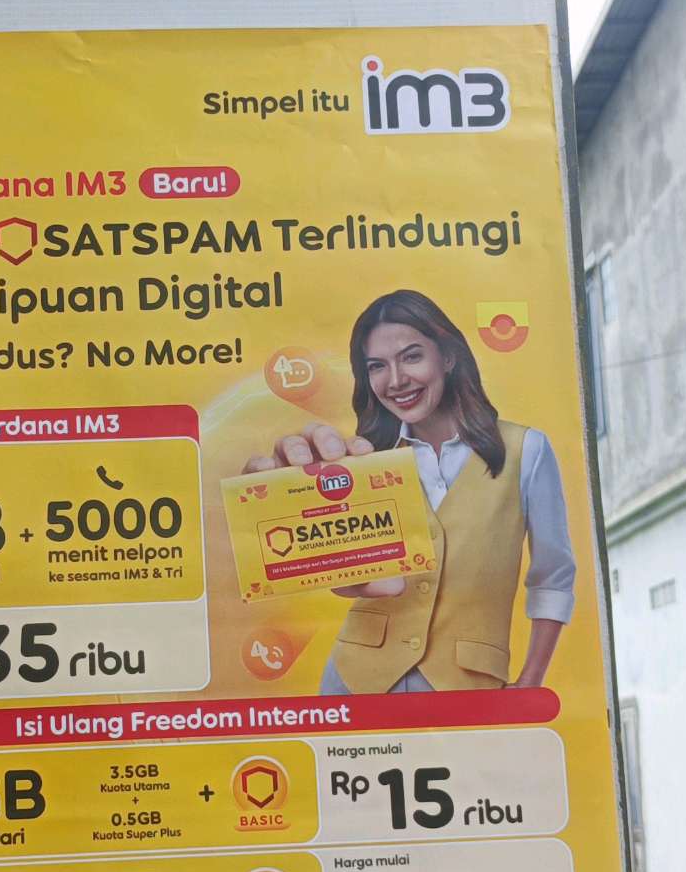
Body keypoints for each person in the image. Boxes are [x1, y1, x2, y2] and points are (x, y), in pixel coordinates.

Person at [241, 289, 575, 692]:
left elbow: (554, 575)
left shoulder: (526, 450)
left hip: (467, 685)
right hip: (355, 680)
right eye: (377, 366)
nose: (396, 380)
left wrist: (532, 680)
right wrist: (273, 502)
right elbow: (332, 567)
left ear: (448, 357)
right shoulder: (362, 460)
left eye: (412, 357)